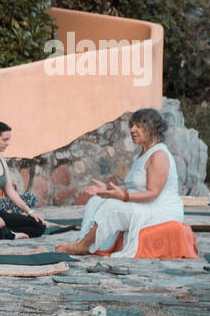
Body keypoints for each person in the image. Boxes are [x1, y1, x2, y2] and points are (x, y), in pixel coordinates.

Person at [55, 108, 183, 256]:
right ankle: (82, 242)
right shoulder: (143, 153)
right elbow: (132, 187)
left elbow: (153, 193)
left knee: (112, 207)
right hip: (146, 205)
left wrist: (123, 197)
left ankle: (82, 246)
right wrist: (107, 190)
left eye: (138, 126)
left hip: (161, 211)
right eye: (132, 126)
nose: (132, 130)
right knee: (95, 201)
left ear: (153, 128)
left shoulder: (159, 155)